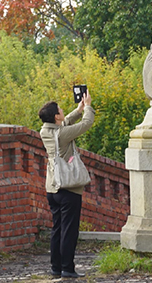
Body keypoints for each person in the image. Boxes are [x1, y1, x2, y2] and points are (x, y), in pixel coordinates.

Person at [39, 90, 94, 279]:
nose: (63, 111)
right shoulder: (62, 134)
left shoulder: (45, 131)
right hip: (69, 189)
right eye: (60, 110)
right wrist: (88, 108)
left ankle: (56, 267)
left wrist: (77, 110)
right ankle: (68, 268)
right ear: (56, 116)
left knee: (57, 229)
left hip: (52, 189)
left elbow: (63, 125)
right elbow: (86, 124)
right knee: (69, 231)